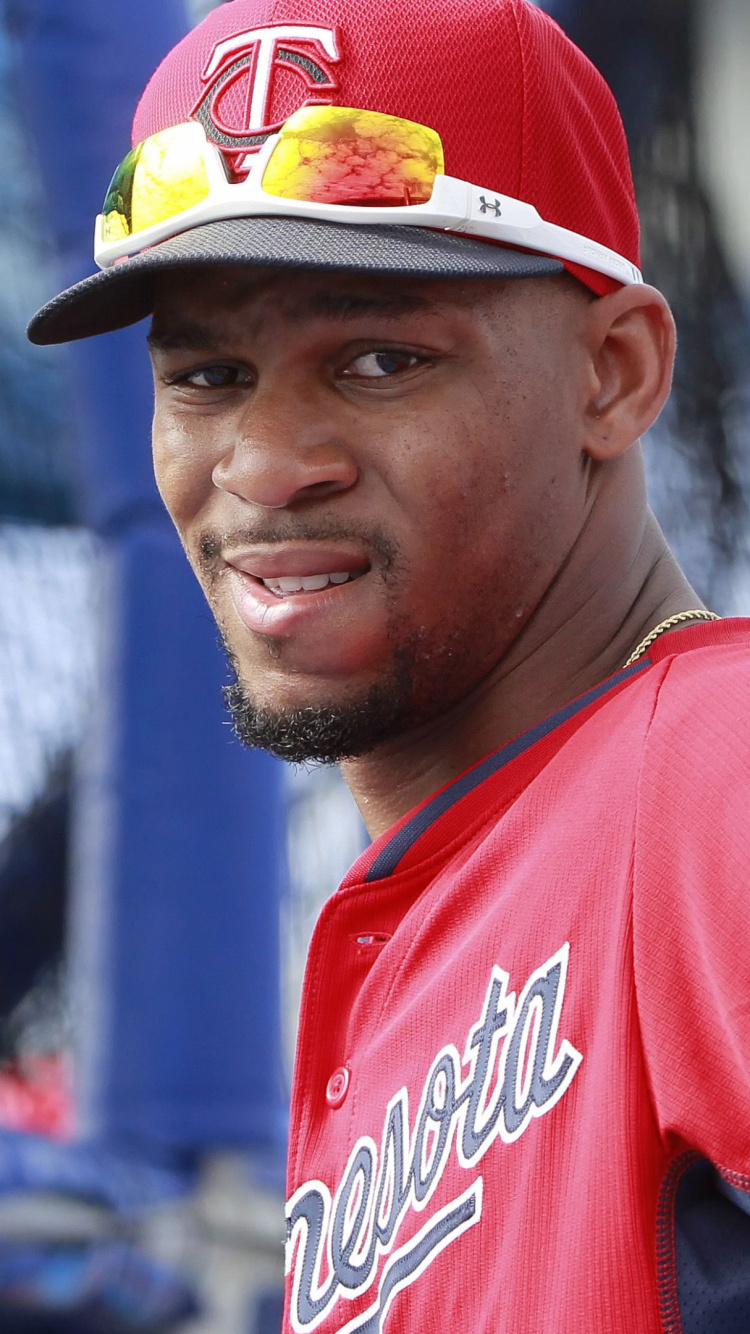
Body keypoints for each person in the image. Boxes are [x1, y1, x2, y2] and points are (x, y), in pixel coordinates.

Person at [27, 0, 750, 1329]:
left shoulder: (716, 767)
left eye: (373, 359)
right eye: (207, 374)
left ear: (616, 372)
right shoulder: (409, 926)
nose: (258, 462)